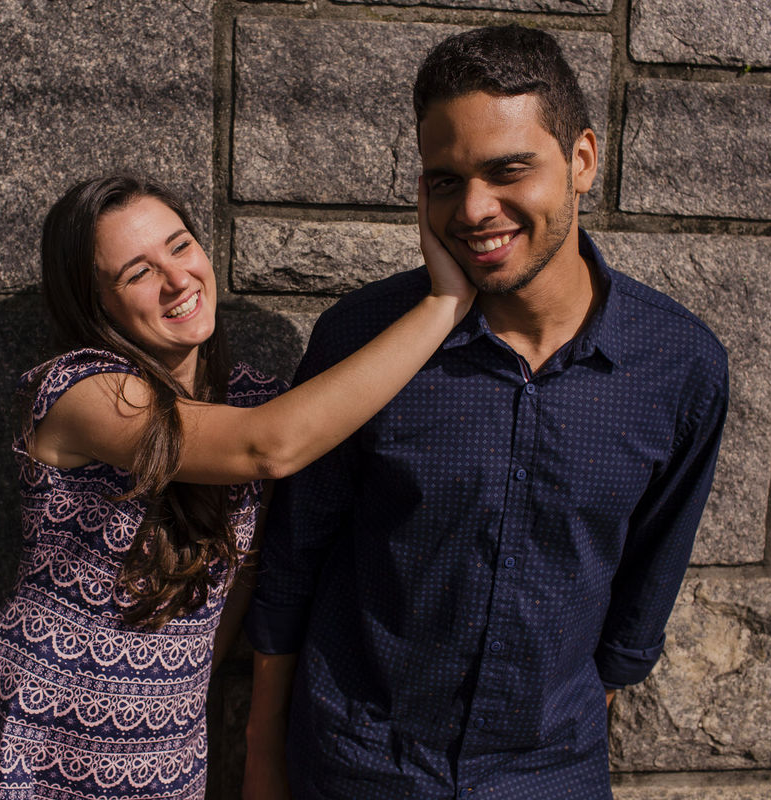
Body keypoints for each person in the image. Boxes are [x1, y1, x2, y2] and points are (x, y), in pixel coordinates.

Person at [243, 25, 729, 799]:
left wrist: (560, 722)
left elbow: (647, 579)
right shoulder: (364, 340)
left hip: (547, 769)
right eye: (445, 181)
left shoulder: (678, 367)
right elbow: (292, 564)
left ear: (582, 161)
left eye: (508, 170)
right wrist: (262, 753)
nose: (473, 210)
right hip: (359, 761)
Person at [0, 174, 474, 800]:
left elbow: (245, 574)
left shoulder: (252, 396)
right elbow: (269, 446)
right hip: (41, 728)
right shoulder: (79, 391)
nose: (178, 279)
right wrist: (444, 305)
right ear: (96, 304)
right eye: (137, 273)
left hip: (163, 740)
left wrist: (179, 693)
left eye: (180, 247)